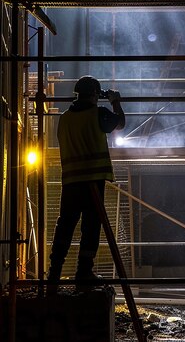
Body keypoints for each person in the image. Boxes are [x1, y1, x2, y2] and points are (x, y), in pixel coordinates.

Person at [47, 75, 125, 292]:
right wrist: (115, 101)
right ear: (94, 95)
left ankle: (54, 273)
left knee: (65, 226)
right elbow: (120, 123)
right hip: (92, 181)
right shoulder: (97, 113)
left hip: (71, 181)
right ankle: (83, 272)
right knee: (91, 228)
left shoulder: (64, 118)